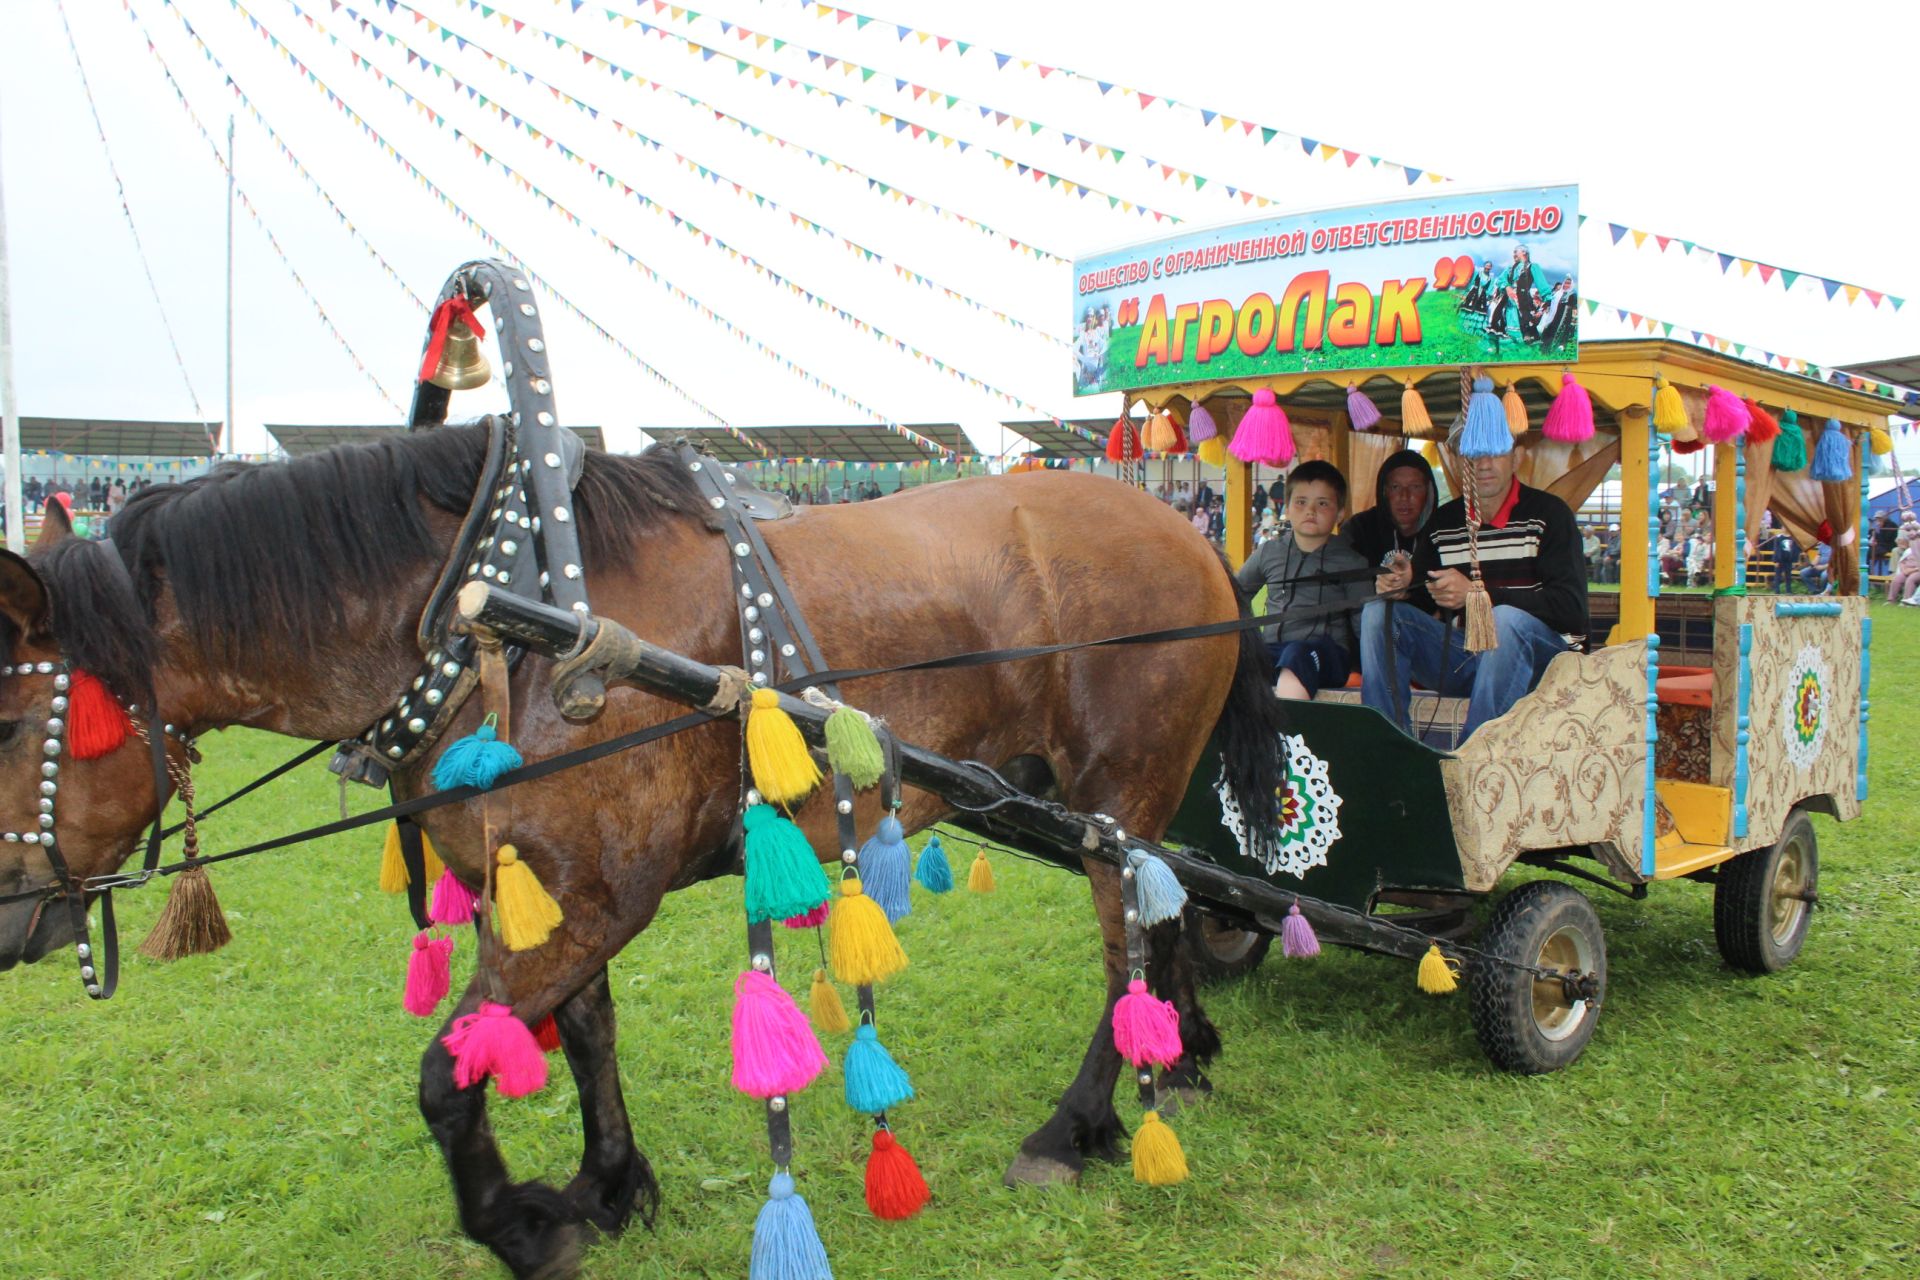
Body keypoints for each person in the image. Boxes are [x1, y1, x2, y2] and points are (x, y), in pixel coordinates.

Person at [1360, 434, 1588, 738]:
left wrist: (1479, 595)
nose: (1483, 465)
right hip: (1466, 660)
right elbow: (1423, 597)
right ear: (1459, 463)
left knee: (1504, 620)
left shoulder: (1549, 514)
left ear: (1517, 458)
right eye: (1472, 456)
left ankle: (1472, 759)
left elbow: (1571, 609)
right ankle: (1387, 743)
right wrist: (1400, 585)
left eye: (1494, 453)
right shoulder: (1445, 522)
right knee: (1379, 612)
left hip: (1544, 665)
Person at [1234, 460, 1371, 700]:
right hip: (1274, 650)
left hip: (1327, 655)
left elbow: (1366, 626)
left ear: (1340, 513)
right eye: (1301, 502)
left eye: (1323, 503)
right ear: (1286, 507)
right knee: (1237, 661)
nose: (1311, 511)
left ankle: (1285, 733)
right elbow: (1234, 596)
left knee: (1297, 654)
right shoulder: (1269, 552)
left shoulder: (1353, 562)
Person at [1341, 448, 1437, 572]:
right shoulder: (1359, 529)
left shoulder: (1442, 532)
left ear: (1429, 492)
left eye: (1415, 487)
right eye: (1395, 487)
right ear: (1384, 491)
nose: (1404, 496)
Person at [1487, 244, 1550, 343]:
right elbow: (1500, 279)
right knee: (1501, 325)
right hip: (1507, 302)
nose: (1513, 255)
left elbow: (1543, 285)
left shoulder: (1533, 267)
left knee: (1524, 330)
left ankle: (1521, 351)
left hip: (1523, 302)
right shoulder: (1510, 268)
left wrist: (1546, 300)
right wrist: (1507, 287)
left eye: (1515, 252)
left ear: (1524, 252)